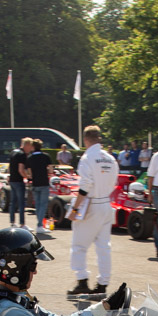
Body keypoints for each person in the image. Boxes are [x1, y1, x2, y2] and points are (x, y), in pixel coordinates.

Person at [0, 227, 128, 316]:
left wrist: (105, 306)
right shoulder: (11, 314)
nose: (35, 272)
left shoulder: (16, 300)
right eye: (32, 266)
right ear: (15, 269)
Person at [67, 124, 119, 295]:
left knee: (79, 245)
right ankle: (102, 284)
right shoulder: (110, 158)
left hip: (91, 203)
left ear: (85, 139)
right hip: (106, 203)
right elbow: (114, 182)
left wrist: (75, 209)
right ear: (99, 138)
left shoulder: (87, 157)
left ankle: (82, 281)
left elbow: (86, 185)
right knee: (104, 247)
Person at [26, 139, 53, 230]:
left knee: (37, 205)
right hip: (44, 182)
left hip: (35, 183)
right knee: (43, 204)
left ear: (33, 146)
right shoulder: (46, 156)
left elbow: (30, 173)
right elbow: (50, 170)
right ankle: (39, 225)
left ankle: (39, 223)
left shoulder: (29, 157)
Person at [8, 139, 29, 228]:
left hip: (12, 180)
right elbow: (21, 169)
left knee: (13, 202)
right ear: (26, 145)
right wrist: (27, 176)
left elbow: (9, 167)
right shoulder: (22, 154)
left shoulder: (13, 152)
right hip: (18, 181)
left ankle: (12, 222)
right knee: (21, 203)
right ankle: (22, 223)